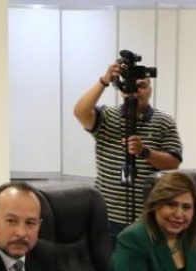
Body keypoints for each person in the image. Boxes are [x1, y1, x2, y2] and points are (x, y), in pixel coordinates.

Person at [72, 59, 183, 241]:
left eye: (142, 86)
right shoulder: (107, 116)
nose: (136, 91)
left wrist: (145, 151)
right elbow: (80, 112)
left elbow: (173, 163)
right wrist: (104, 81)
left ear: (150, 90)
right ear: (122, 90)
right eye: (132, 86)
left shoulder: (164, 122)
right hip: (108, 216)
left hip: (147, 217)